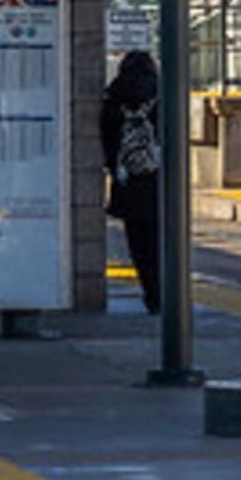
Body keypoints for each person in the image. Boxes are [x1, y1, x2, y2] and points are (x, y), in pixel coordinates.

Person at [100, 50, 166, 316]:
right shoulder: (163, 95)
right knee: (162, 243)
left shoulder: (113, 96)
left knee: (139, 245)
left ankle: (151, 294)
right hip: (159, 181)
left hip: (128, 182)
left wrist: (114, 169)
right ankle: (165, 294)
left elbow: (107, 141)